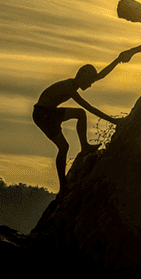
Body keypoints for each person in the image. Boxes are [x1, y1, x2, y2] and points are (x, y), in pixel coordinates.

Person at [33, 59, 120, 191]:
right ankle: (63, 184)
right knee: (64, 146)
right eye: (89, 81)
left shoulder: (74, 84)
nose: (90, 85)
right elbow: (90, 108)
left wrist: (118, 60)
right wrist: (114, 121)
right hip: (43, 115)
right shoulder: (69, 87)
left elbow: (100, 75)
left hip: (49, 112)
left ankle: (84, 146)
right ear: (83, 77)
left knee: (79, 115)